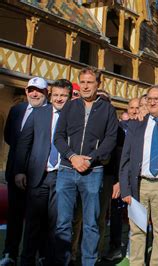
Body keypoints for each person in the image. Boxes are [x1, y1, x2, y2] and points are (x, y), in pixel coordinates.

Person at [54, 67, 118, 265]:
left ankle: (89, 261)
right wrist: (72, 157)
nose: (85, 86)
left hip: (93, 171)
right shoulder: (69, 107)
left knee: (91, 223)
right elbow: (58, 137)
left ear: (98, 84)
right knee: (63, 222)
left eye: (90, 82)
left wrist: (91, 159)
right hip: (66, 169)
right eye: (82, 82)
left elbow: (110, 140)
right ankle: (62, 261)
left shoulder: (108, 110)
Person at [119, 85, 158, 265]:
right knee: (137, 229)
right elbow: (125, 159)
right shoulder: (136, 124)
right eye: (149, 98)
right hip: (140, 184)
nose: (152, 102)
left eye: (157, 99)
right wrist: (125, 189)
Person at [12, 79, 71, 266]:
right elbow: (24, 143)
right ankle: (27, 261)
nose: (59, 99)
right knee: (33, 225)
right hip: (38, 176)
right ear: (50, 95)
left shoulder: (73, 116)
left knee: (55, 225)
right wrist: (20, 170)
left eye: (63, 95)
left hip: (62, 176)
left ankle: (48, 260)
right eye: (56, 95)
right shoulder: (39, 113)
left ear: (69, 97)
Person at [0, 77, 49, 265]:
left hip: (39, 175)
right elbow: (9, 137)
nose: (34, 94)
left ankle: (37, 255)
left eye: (39, 91)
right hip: (15, 172)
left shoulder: (50, 112)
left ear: (46, 93)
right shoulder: (17, 110)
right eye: (31, 90)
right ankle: (9, 254)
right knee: (14, 215)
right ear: (26, 91)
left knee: (37, 219)